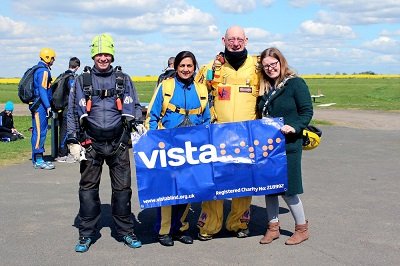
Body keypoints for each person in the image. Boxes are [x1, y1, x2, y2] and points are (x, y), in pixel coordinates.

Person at [67, 33, 144, 253]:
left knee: (123, 190)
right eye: (99, 54)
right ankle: (86, 234)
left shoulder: (124, 79)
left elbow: (135, 106)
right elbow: (72, 111)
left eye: (107, 54)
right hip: (90, 144)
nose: (103, 58)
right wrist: (72, 139)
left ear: (112, 55)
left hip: (118, 142)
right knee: (88, 190)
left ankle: (126, 231)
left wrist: (137, 124)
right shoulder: (82, 81)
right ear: (93, 55)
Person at [194, 26, 261, 240]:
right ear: (224, 40)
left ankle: (238, 223)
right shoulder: (210, 68)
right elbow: (195, 95)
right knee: (215, 180)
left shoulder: (258, 67)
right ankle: (209, 225)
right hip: (216, 134)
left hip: (247, 135)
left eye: (239, 39)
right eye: (231, 39)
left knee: (243, 181)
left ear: (246, 40)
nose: (235, 42)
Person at [145, 51, 211, 246]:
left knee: (187, 189)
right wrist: (154, 143)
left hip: (192, 149)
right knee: (167, 190)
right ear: (176, 67)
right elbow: (152, 117)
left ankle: (180, 228)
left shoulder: (201, 89)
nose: (185, 69)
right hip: (168, 147)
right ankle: (163, 230)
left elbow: (206, 118)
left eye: (189, 66)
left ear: (194, 68)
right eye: (182, 66)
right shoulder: (165, 86)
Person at [257, 47, 313, 245]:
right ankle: (273, 228)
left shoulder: (296, 84)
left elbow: (306, 112)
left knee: (289, 189)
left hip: (289, 144)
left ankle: (301, 228)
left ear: (281, 62)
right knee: (270, 188)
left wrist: (295, 127)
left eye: (273, 64)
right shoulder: (264, 89)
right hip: (269, 146)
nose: (270, 68)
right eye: (266, 66)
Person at [30, 48, 56, 170]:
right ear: (47, 58)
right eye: (52, 58)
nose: (53, 61)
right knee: (40, 132)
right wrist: (48, 106)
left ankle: (36, 158)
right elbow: (42, 90)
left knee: (37, 131)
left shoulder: (38, 69)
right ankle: (39, 160)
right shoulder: (43, 71)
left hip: (37, 104)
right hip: (40, 105)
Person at [55, 57, 81, 163]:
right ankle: (62, 154)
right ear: (77, 67)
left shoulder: (62, 76)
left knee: (63, 130)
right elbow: (72, 92)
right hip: (67, 108)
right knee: (66, 132)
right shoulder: (70, 78)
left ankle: (62, 152)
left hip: (61, 107)